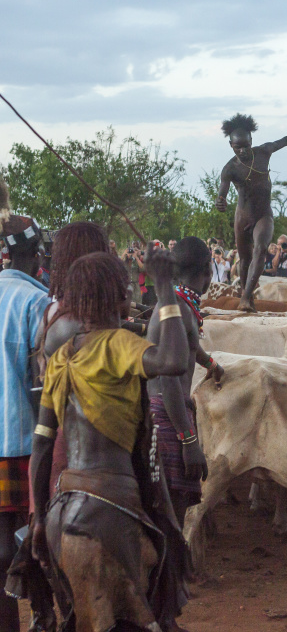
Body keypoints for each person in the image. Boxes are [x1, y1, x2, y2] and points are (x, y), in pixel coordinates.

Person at [31, 248, 192, 631]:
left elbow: (41, 446)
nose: (130, 297)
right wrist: (166, 288)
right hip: (109, 511)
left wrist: (39, 520)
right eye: (125, 290)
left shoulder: (60, 358)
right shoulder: (117, 344)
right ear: (115, 297)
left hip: (60, 509)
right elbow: (173, 361)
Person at [215, 113, 287, 311]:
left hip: (263, 215)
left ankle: (245, 297)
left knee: (261, 249)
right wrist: (221, 201)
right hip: (242, 216)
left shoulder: (263, 152)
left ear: (252, 141)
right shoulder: (230, 168)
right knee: (244, 259)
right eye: (238, 147)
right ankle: (247, 295)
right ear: (231, 145)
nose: (243, 151)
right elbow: (222, 192)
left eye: (246, 145)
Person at [148, 237, 224, 528]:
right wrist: (188, 440)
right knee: (170, 518)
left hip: (170, 413)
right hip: (168, 417)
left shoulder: (179, 304)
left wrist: (210, 364)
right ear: (207, 270)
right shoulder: (177, 309)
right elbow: (168, 379)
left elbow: (188, 346)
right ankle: (171, 573)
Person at [0, 210, 50, 632]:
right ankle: (39, 616)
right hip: (22, 441)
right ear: (36, 255)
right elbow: (43, 382)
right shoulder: (37, 301)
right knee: (31, 540)